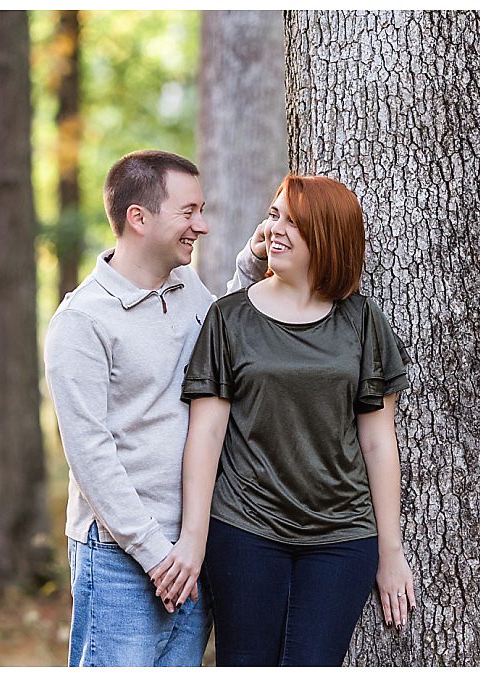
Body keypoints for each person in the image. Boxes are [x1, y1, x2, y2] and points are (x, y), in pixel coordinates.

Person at [160, 174, 414, 666]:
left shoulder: (361, 322)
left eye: (293, 222)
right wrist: (193, 537)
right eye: (274, 215)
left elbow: (380, 442)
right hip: (244, 530)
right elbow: (206, 434)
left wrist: (391, 551)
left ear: (327, 236)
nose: (275, 229)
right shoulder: (228, 317)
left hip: (342, 538)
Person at [43, 149, 267, 666]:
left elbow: (223, 338)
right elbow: (90, 455)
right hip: (124, 557)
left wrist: (251, 265)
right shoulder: (83, 321)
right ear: (138, 219)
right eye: (188, 212)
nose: (202, 225)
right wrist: (155, 555)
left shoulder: (185, 287)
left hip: (192, 545)